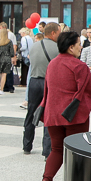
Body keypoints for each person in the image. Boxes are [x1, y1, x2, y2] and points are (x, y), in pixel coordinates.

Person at [36, 31, 91, 181]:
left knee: (56, 150)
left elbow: (47, 90)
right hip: (74, 115)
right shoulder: (79, 66)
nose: (81, 47)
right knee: (77, 152)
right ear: (71, 47)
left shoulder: (52, 64)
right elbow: (88, 90)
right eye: (78, 44)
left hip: (53, 114)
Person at [23, 22, 59, 156]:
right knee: (48, 115)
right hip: (48, 83)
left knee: (31, 113)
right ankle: (47, 150)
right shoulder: (57, 48)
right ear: (53, 33)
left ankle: (27, 145)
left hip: (34, 82)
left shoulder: (34, 46)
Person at [0, 22, 15, 94]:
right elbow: (12, 53)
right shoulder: (9, 41)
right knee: (4, 75)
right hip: (7, 59)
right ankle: (1, 89)